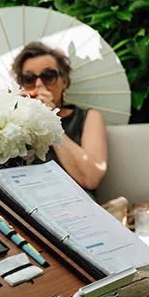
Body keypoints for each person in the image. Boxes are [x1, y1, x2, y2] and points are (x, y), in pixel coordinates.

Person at [12, 41, 108, 193]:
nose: (39, 84)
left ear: (64, 81)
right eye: (29, 79)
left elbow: (91, 178)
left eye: (48, 76)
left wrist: (50, 119)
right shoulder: (12, 122)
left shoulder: (88, 117)